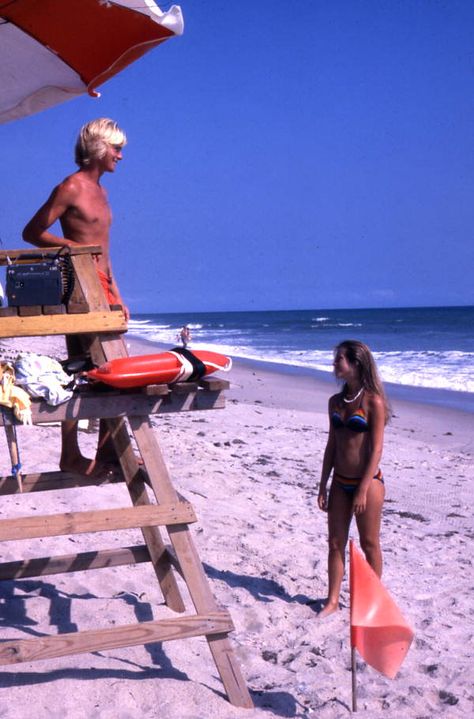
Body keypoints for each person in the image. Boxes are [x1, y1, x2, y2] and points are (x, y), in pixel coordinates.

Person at [22, 117, 129, 477]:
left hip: (103, 286)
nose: (120, 155)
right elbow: (33, 232)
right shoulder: (71, 186)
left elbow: (106, 251)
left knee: (106, 369)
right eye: (116, 148)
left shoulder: (103, 191)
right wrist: (74, 248)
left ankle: (108, 452)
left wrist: (118, 292)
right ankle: (71, 454)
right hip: (80, 286)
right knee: (84, 368)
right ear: (99, 149)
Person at [317, 340, 390, 618]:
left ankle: (372, 602)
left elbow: (377, 449)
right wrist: (323, 483)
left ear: (355, 364)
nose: (335, 364)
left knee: (369, 542)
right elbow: (332, 445)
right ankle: (333, 601)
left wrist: (362, 489)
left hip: (368, 483)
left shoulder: (373, 401)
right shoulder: (334, 402)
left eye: (339, 360)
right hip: (339, 482)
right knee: (335, 542)